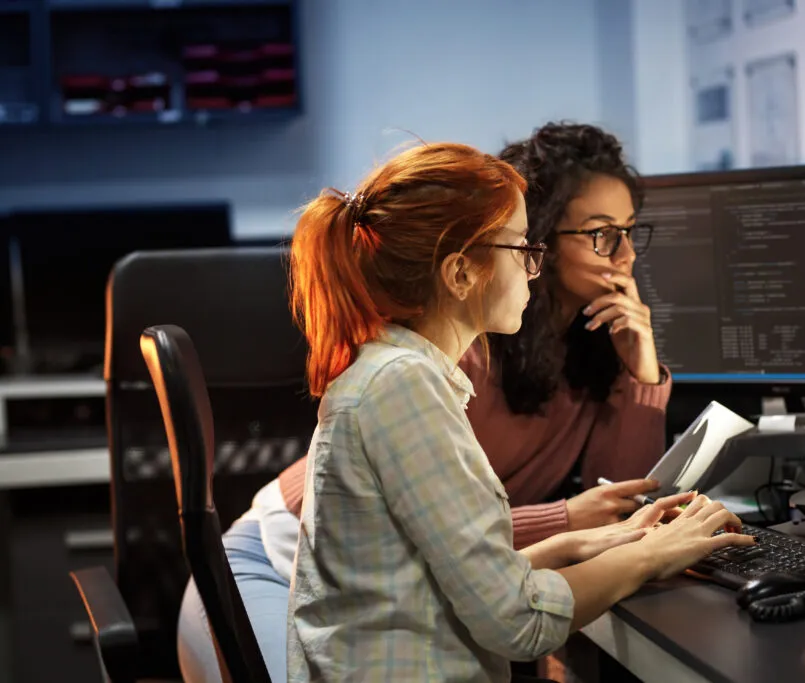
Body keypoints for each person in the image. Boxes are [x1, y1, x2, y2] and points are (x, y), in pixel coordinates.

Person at [176, 123, 684, 681]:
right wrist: (626, 547)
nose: (627, 256)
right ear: (463, 271)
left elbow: (454, 551)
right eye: (525, 248)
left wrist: (611, 533)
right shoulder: (420, 375)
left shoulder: (424, 365)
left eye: (630, 232)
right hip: (272, 559)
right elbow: (506, 607)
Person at [282, 141, 752, 681]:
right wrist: (652, 555)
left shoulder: (404, 373)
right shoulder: (405, 387)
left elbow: (422, 579)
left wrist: (579, 543)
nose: (534, 268)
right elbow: (518, 621)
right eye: (522, 250)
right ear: (460, 275)